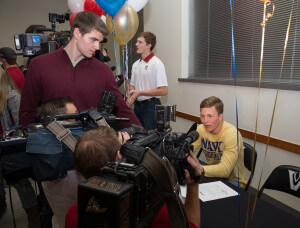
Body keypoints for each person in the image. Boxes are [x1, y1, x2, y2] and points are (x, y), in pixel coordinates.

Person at [19, 11, 141, 128]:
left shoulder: (103, 71)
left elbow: (122, 109)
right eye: (93, 40)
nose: (97, 47)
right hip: (53, 144)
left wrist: (145, 137)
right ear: (77, 33)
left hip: (91, 146)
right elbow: (27, 111)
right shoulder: (39, 65)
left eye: (99, 42)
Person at [65, 127, 201, 228]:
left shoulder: (74, 214)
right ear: (119, 157)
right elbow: (192, 224)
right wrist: (193, 184)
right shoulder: (159, 216)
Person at [0, 67, 40, 227]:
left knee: (20, 183)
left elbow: (21, 127)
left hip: (11, 151)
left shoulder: (12, 97)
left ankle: (34, 216)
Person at [192, 96, 246, 188]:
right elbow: (189, 149)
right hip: (213, 174)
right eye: (202, 116)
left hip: (232, 181)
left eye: (210, 116)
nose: (205, 121)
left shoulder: (232, 134)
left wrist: (199, 168)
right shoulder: (201, 129)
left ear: (220, 116)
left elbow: (225, 170)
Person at [128, 32, 168, 130]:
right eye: (137, 42)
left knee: (152, 139)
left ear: (149, 46)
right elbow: (132, 84)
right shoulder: (135, 64)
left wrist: (140, 93)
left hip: (152, 107)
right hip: (137, 106)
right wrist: (133, 93)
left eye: (140, 42)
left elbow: (163, 90)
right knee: (137, 137)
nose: (136, 44)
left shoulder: (157, 64)